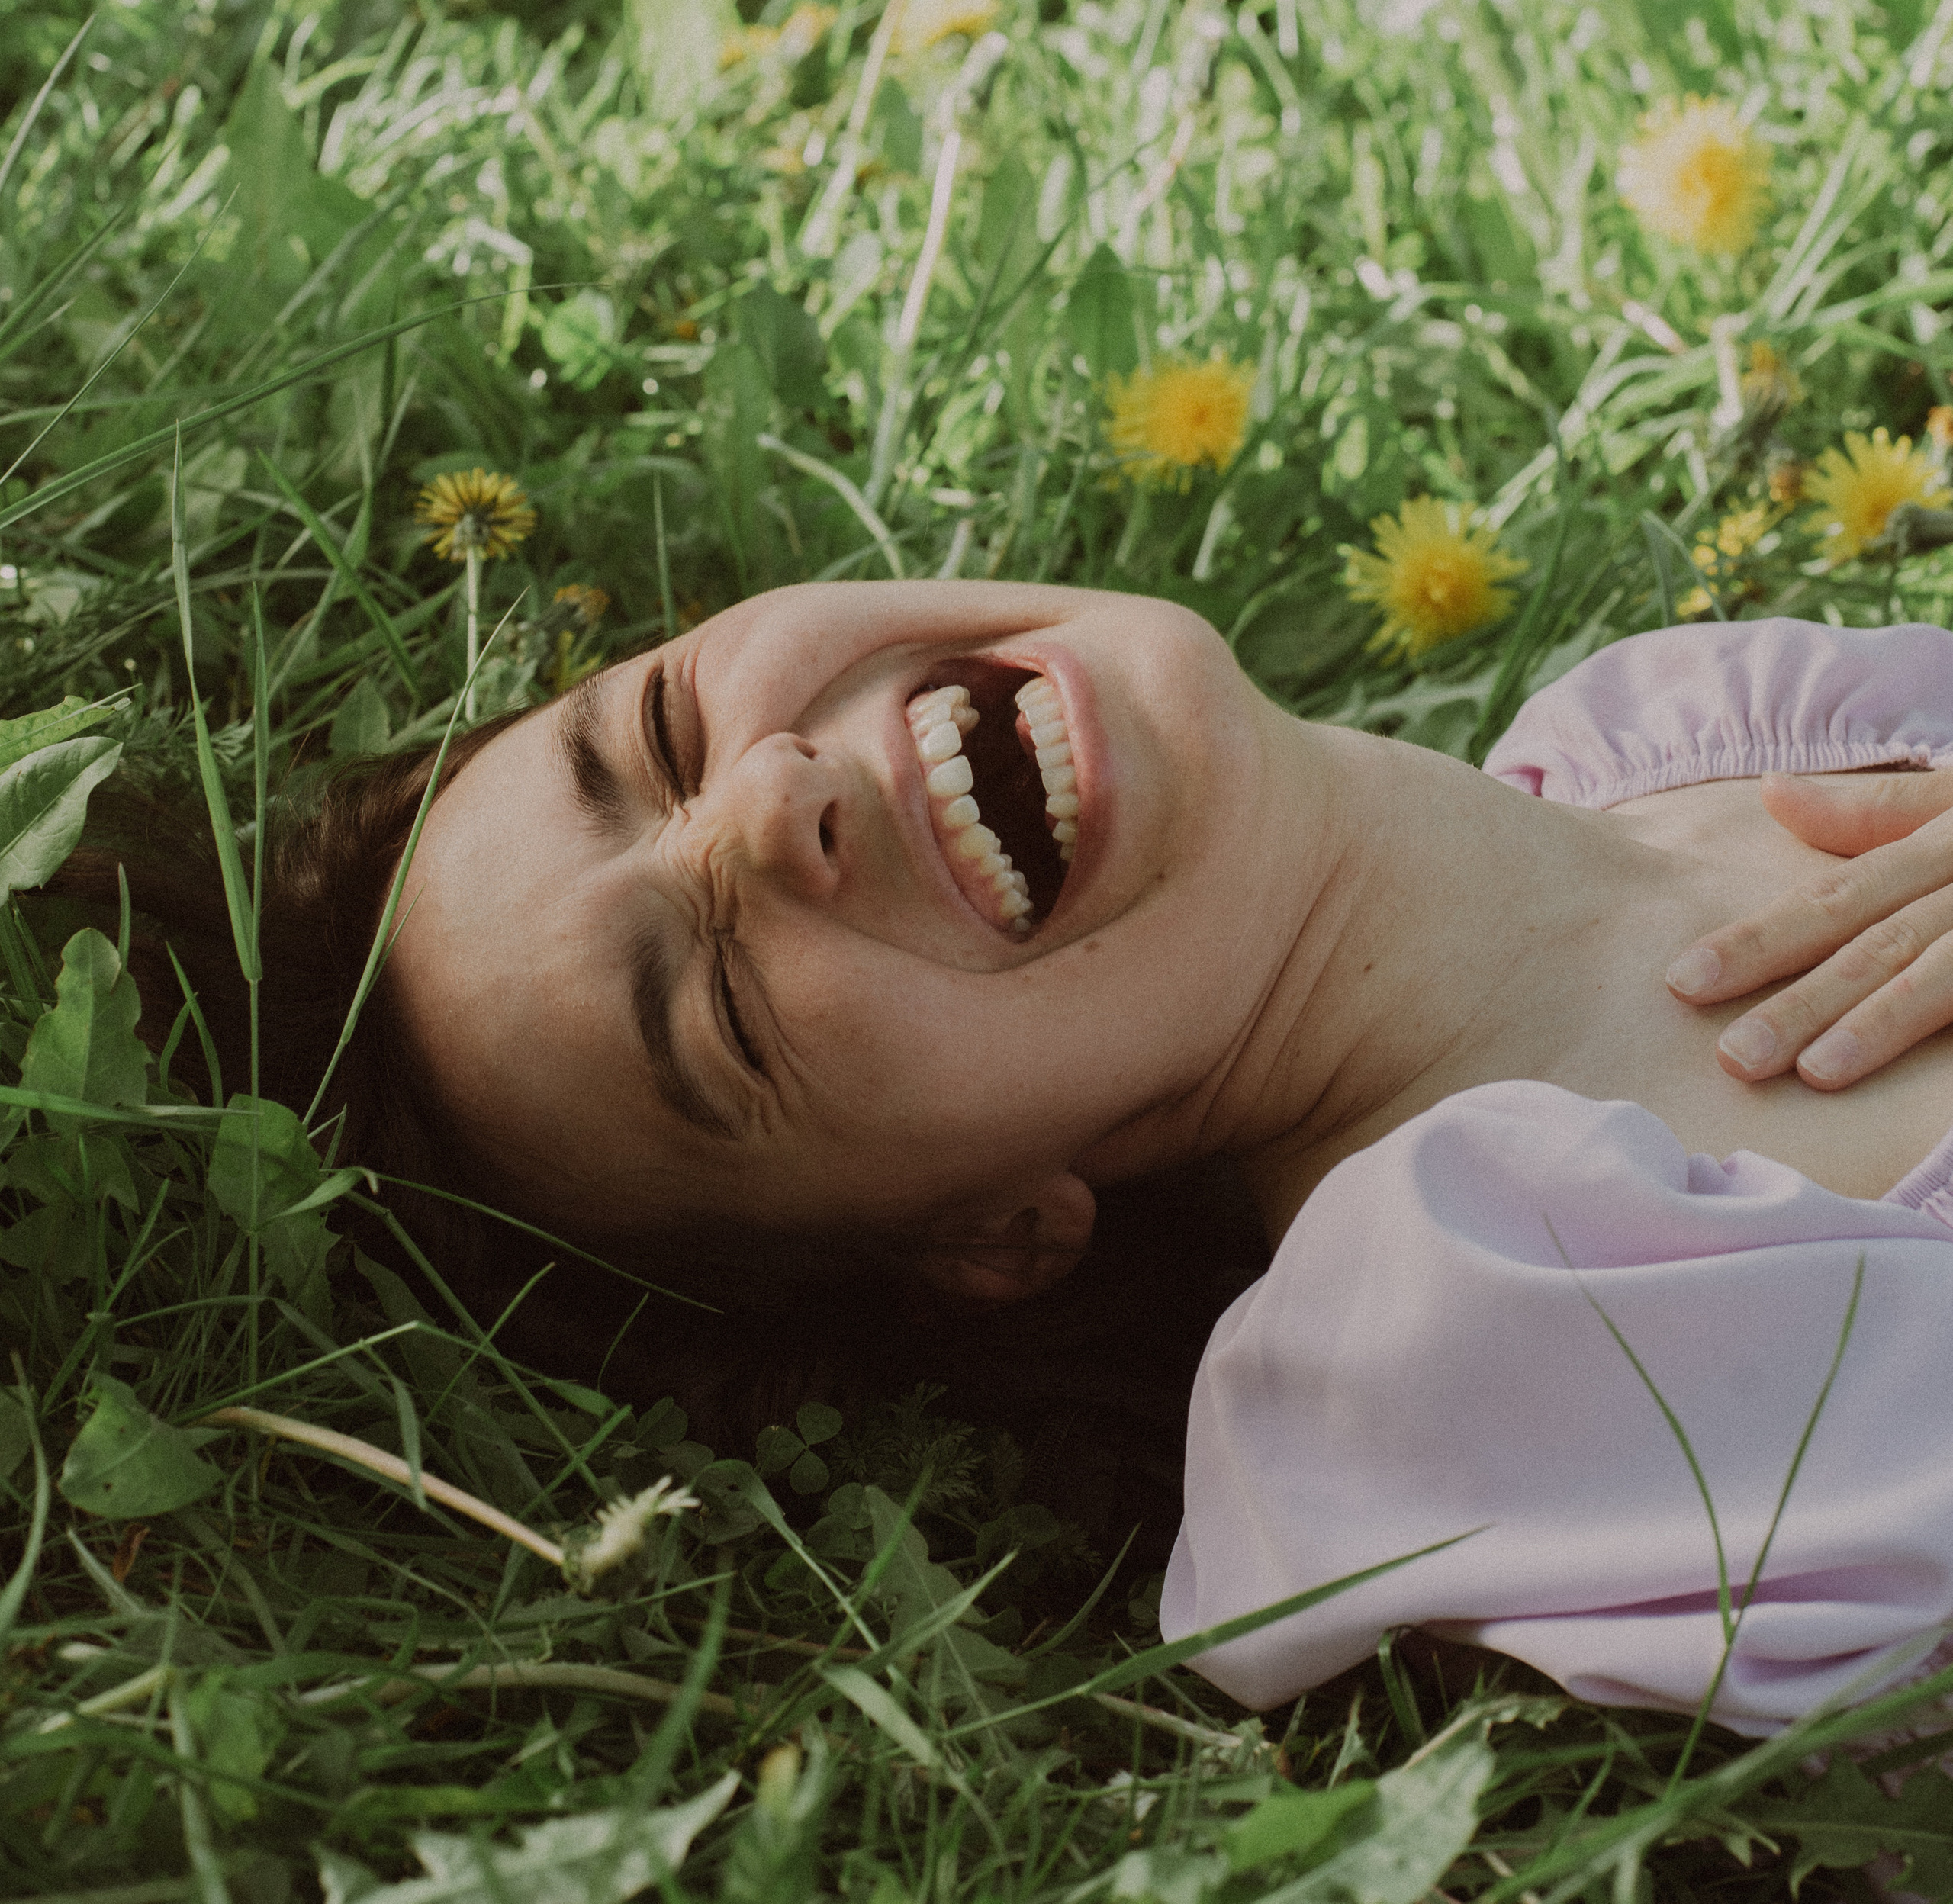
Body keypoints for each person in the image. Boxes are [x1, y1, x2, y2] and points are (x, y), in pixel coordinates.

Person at [72, 584, 1953, 1732]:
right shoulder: (1483, 1331)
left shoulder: (1692, 719)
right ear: (989, 1235)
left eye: (655, 728)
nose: (768, 799)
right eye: (723, 1013)